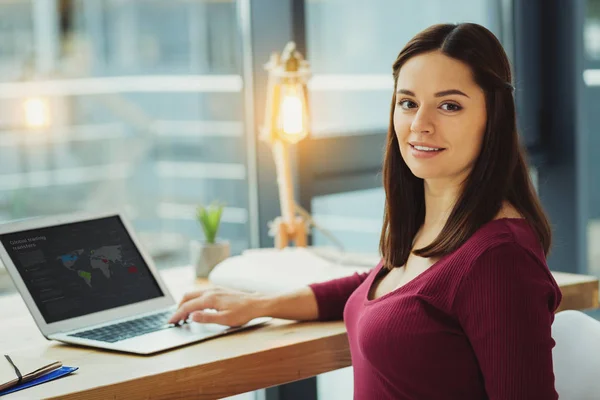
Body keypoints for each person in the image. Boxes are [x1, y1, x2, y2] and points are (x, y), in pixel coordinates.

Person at [169, 23, 561, 399]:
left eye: (449, 105)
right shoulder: (430, 228)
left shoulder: (499, 259)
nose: (419, 125)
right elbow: (383, 286)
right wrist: (259, 306)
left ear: (493, 118)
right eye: (408, 103)